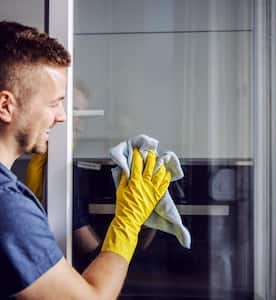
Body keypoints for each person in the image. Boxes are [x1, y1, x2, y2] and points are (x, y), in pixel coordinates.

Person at [0, 21, 171, 299]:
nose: (62, 117)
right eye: (54, 103)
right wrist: (127, 222)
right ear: (6, 106)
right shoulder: (7, 205)